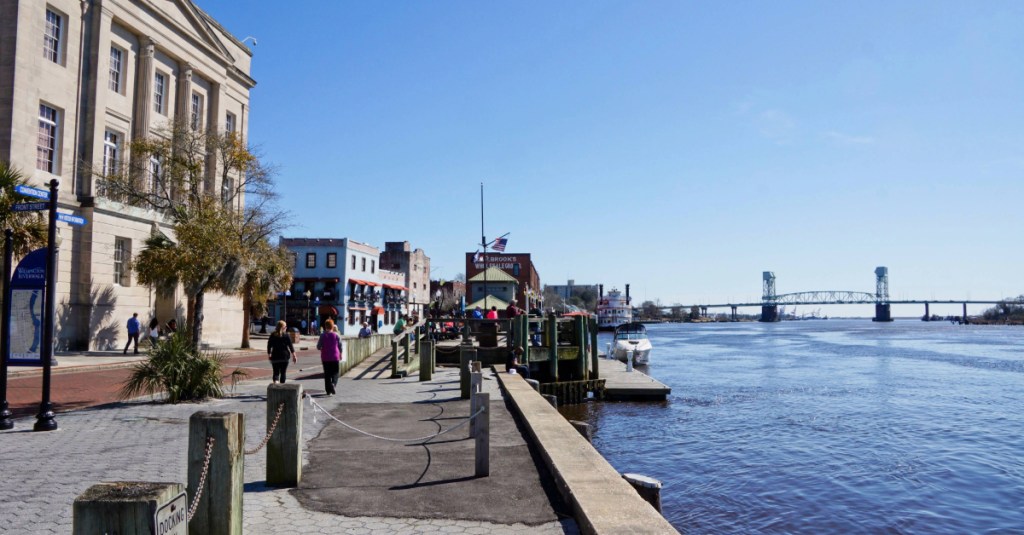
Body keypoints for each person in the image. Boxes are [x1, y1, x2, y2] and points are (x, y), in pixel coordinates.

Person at [317, 319, 343, 395]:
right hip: (335, 356)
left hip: (325, 357)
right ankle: (333, 384)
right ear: (332, 326)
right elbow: (340, 346)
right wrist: (340, 353)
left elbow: (318, 346)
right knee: (335, 372)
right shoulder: (336, 335)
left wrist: (322, 347)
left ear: (325, 326)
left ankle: (328, 391)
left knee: (327, 374)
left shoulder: (322, 335)